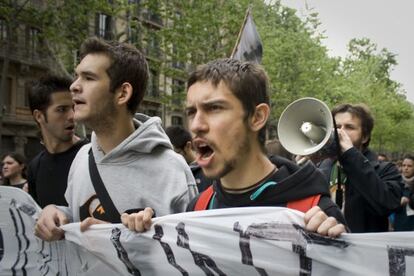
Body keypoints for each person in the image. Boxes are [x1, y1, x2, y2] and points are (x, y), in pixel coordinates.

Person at [123, 58, 346, 237]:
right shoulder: (199, 207)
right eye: (192, 112)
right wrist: (136, 236)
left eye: (214, 108)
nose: (196, 125)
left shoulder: (314, 212)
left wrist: (336, 247)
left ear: (257, 117)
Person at [34, 37, 197, 245]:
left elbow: (191, 255)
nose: (74, 86)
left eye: (89, 78)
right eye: (76, 76)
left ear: (122, 93)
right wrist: (55, 212)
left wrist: (134, 240)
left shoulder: (172, 171)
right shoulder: (82, 158)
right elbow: (76, 216)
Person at [318, 103, 403, 233]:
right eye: (336, 127)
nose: (340, 132)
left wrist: (350, 154)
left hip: (364, 250)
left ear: (365, 137)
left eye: (349, 127)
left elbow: (387, 205)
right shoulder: (323, 166)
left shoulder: (386, 169)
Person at [27, 75, 88, 208]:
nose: (72, 116)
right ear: (39, 116)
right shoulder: (34, 168)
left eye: (74, 107)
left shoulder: (91, 155)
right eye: (62, 109)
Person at [165, 125, 213, 192]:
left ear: (188, 146)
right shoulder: (169, 173)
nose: (172, 159)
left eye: (176, 153)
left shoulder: (209, 173)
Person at [393, 154, 414, 231]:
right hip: (399, 226)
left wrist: (410, 201)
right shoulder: (395, 182)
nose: (406, 168)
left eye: (409, 166)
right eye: (404, 165)